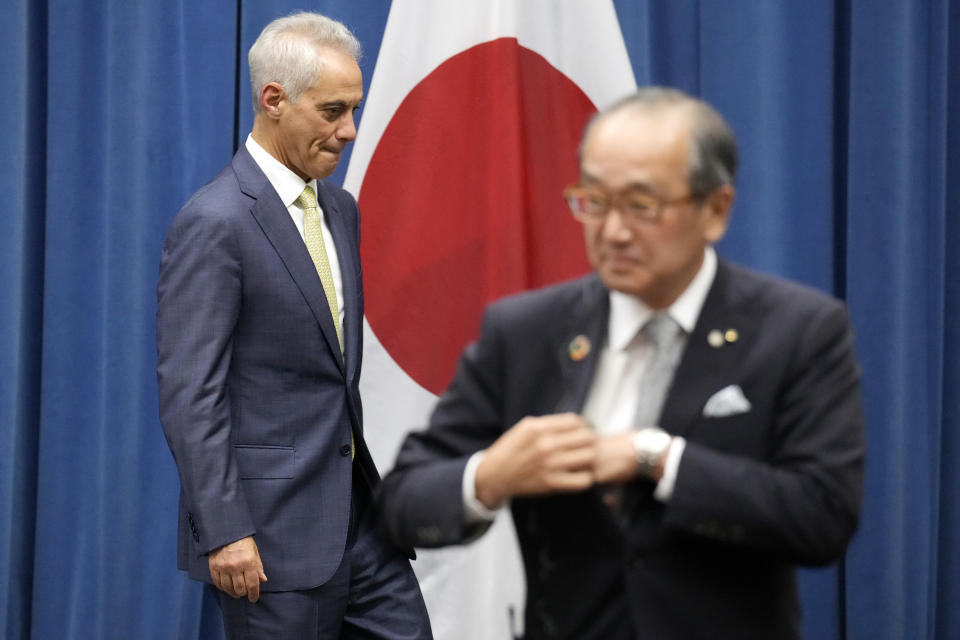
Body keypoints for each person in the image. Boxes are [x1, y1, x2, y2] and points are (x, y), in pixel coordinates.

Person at [377, 87, 865, 640]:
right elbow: (402, 501)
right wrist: (491, 475)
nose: (612, 232)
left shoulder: (797, 331)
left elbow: (823, 517)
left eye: (641, 205)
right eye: (595, 201)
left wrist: (654, 457)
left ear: (715, 210)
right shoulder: (527, 332)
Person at [156, 12, 431, 639]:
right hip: (269, 541)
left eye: (354, 110)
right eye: (333, 111)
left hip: (361, 525)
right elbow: (190, 395)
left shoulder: (340, 208)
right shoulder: (215, 221)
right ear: (273, 100)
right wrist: (225, 529)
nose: (350, 130)